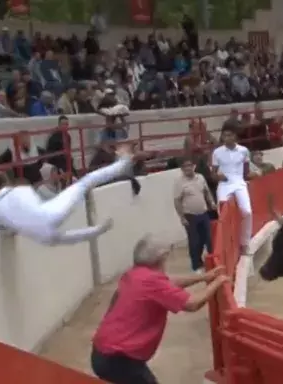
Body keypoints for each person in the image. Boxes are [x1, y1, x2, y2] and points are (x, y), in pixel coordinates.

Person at [90, 236, 228, 384]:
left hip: (101, 352)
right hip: (119, 358)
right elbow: (192, 304)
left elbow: (168, 282)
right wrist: (218, 282)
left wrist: (204, 278)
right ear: (162, 258)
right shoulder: (153, 282)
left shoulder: (133, 274)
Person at [0, 144, 138, 245]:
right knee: (85, 182)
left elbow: (70, 237)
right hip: (47, 212)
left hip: (42, 220)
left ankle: (123, 162)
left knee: (84, 184)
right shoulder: (7, 197)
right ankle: (123, 162)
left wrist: (99, 230)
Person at [211, 126, 253, 254]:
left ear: (235, 136)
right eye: (225, 135)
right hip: (224, 184)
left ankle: (244, 243)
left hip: (239, 182)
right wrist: (218, 176)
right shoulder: (217, 152)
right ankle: (227, 244)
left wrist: (247, 179)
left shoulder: (244, 150)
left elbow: (246, 170)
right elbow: (213, 174)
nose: (227, 138)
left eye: (230, 135)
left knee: (247, 211)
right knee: (222, 212)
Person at [173, 157, 216, 273]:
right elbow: (177, 201)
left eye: (189, 165)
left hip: (203, 213)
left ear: (194, 166)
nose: (188, 168)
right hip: (190, 216)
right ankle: (196, 265)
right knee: (194, 241)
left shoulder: (200, 178)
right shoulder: (179, 183)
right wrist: (181, 217)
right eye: (185, 166)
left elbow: (206, 191)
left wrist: (211, 202)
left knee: (208, 239)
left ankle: (212, 262)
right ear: (182, 169)